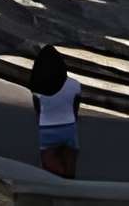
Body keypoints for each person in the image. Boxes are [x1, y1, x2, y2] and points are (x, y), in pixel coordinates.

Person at [32, 48, 80, 179]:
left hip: (47, 128)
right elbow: (75, 109)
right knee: (70, 171)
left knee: (50, 173)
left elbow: (38, 111)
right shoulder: (75, 84)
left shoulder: (38, 87)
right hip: (69, 126)